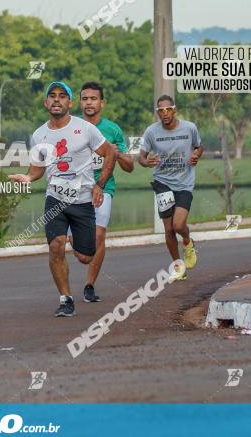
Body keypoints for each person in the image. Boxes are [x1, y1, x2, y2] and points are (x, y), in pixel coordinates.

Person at [9, 82, 116, 317]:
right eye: (52, 96)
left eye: (62, 96)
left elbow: (109, 153)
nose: (56, 100)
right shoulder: (39, 134)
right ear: (46, 103)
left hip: (82, 201)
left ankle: (73, 238)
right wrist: (27, 177)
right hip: (55, 199)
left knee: (85, 256)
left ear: (69, 103)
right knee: (55, 247)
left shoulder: (85, 129)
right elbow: (37, 169)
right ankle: (66, 299)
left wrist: (100, 185)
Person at [70, 81, 134, 302]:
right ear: (79, 103)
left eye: (93, 98)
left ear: (102, 103)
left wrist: (116, 154)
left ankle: (89, 285)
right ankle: (74, 242)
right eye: (85, 98)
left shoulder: (112, 129)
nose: (89, 103)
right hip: (74, 189)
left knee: (98, 236)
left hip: (103, 188)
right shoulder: (71, 127)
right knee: (80, 251)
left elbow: (129, 166)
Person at [138, 95, 203, 280]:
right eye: (160, 110)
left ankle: (188, 242)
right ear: (157, 112)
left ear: (174, 110)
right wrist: (147, 161)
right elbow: (141, 157)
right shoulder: (151, 132)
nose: (164, 113)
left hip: (184, 182)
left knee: (178, 225)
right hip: (162, 183)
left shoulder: (189, 128)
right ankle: (178, 266)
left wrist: (196, 155)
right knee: (168, 230)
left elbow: (199, 147)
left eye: (168, 109)